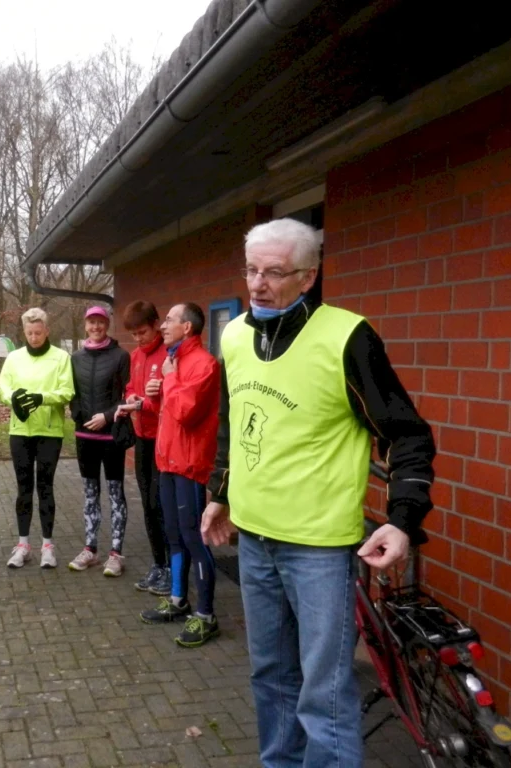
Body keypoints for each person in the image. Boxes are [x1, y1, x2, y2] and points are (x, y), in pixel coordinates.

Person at [201, 218, 436, 767]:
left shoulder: (347, 337)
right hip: (254, 540)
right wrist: (220, 493)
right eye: (251, 270)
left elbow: (408, 434)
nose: (257, 284)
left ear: (308, 277)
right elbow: (237, 423)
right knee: (270, 675)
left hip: (319, 550)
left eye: (274, 273)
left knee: (323, 692)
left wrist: (402, 519)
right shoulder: (235, 335)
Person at [138, 302, 220, 649]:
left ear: (187, 327)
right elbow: (169, 411)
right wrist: (155, 396)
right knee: (173, 534)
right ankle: (177, 600)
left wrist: (169, 380)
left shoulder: (205, 364)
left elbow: (187, 412)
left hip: (189, 465)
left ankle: (205, 615)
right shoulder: (173, 361)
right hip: (167, 461)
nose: (163, 325)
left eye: (170, 320)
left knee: (192, 536)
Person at [0, 307, 75, 569]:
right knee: (23, 488)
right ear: (24, 332)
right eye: (29, 333)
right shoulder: (14, 358)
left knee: (45, 487)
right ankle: (23, 545)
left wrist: (43, 398)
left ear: (47, 331)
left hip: (49, 432)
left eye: (38, 332)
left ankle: (48, 546)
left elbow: (67, 391)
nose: (34, 337)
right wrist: (13, 398)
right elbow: (2, 389)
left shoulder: (61, 357)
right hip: (20, 431)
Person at [67, 305, 130, 577]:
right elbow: (73, 393)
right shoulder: (75, 358)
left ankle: (116, 553)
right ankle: (90, 549)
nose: (96, 327)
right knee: (90, 494)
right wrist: (78, 414)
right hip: (85, 437)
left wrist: (106, 416)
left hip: (110, 435)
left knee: (115, 494)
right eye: (91, 322)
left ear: (107, 325)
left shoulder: (120, 356)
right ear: (85, 325)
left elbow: (127, 395)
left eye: (100, 322)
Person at [114, 300, 169, 594]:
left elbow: (170, 398)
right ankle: (158, 564)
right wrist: (134, 399)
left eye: (143, 332)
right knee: (147, 504)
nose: (139, 338)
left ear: (156, 324)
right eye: (134, 334)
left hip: (164, 439)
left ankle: (172, 568)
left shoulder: (168, 354)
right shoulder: (135, 357)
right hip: (142, 437)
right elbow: (131, 388)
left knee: (160, 504)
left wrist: (145, 401)